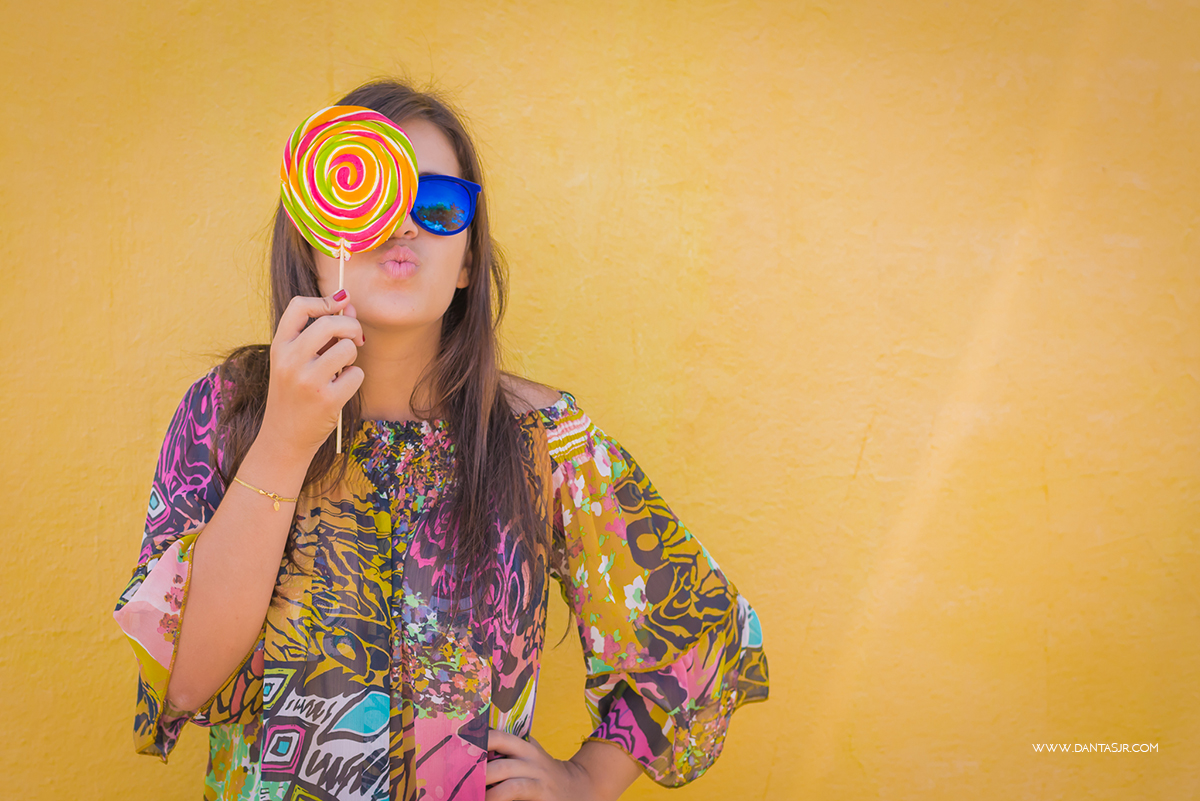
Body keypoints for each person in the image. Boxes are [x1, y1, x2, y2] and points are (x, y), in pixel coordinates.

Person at [113, 79, 769, 801]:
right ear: (313, 230)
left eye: (438, 204)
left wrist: (586, 779)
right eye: (376, 195)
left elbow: (705, 631)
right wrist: (282, 441)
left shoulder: (545, 442)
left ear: (465, 263)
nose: (404, 227)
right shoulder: (228, 411)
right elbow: (183, 679)